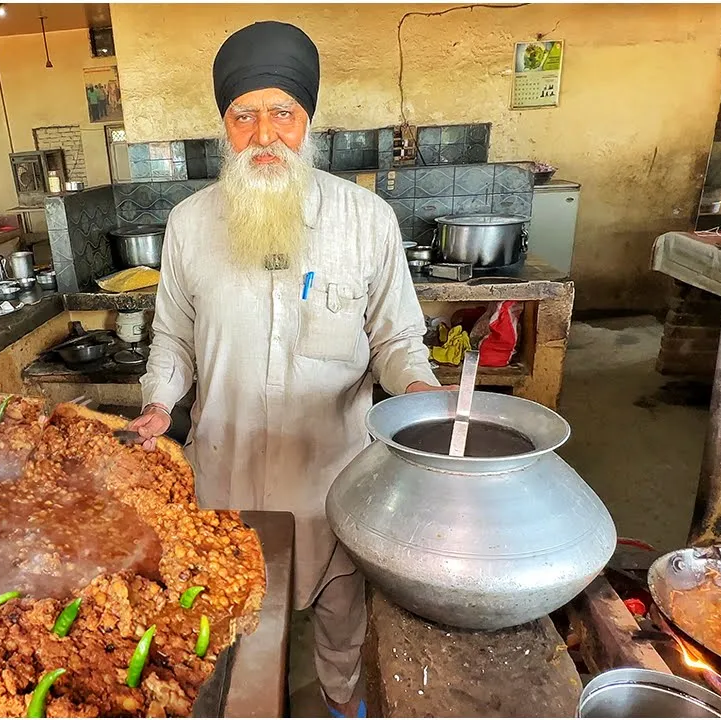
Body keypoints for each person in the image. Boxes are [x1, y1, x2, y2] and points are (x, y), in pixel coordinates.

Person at [127, 20, 448, 718]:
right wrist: (159, 403)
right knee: (222, 635)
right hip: (225, 478)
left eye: (283, 113)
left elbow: (395, 335)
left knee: (343, 632)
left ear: (309, 120)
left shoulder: (366, 220)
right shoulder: (188, 224)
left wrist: (421, 391)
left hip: (335, 479)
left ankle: (341, 708)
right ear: (223, 124)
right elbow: (173, 337)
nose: (264, 134)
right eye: (244, 116)